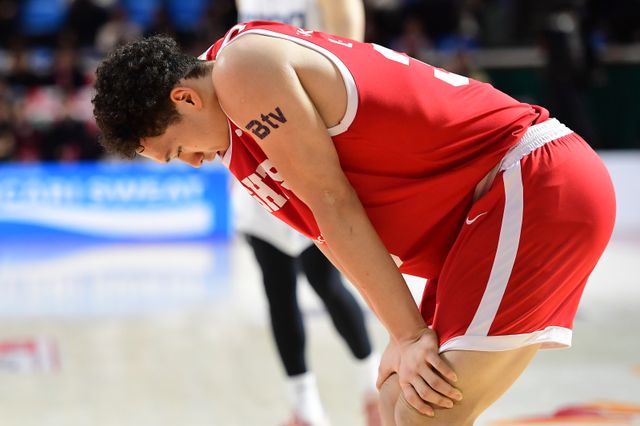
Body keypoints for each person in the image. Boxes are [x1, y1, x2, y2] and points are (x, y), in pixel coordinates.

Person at [91, 21, 616, 426]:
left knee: (424, 412)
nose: (191, 163)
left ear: (185, 98)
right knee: (394, 400)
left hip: (529, 179)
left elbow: (332, 202)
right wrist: (399, 332)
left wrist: (410, 335)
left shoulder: (241, 69)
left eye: (177, 149)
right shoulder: (231, 125)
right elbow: (326, 231)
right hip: (484, 216)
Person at [231, 2, 381, 426]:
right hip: (260, 149)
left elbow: (349, 63)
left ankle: (371, 386)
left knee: (327, 281)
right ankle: (305, 407)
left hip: (313, 150)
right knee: (277, 289)